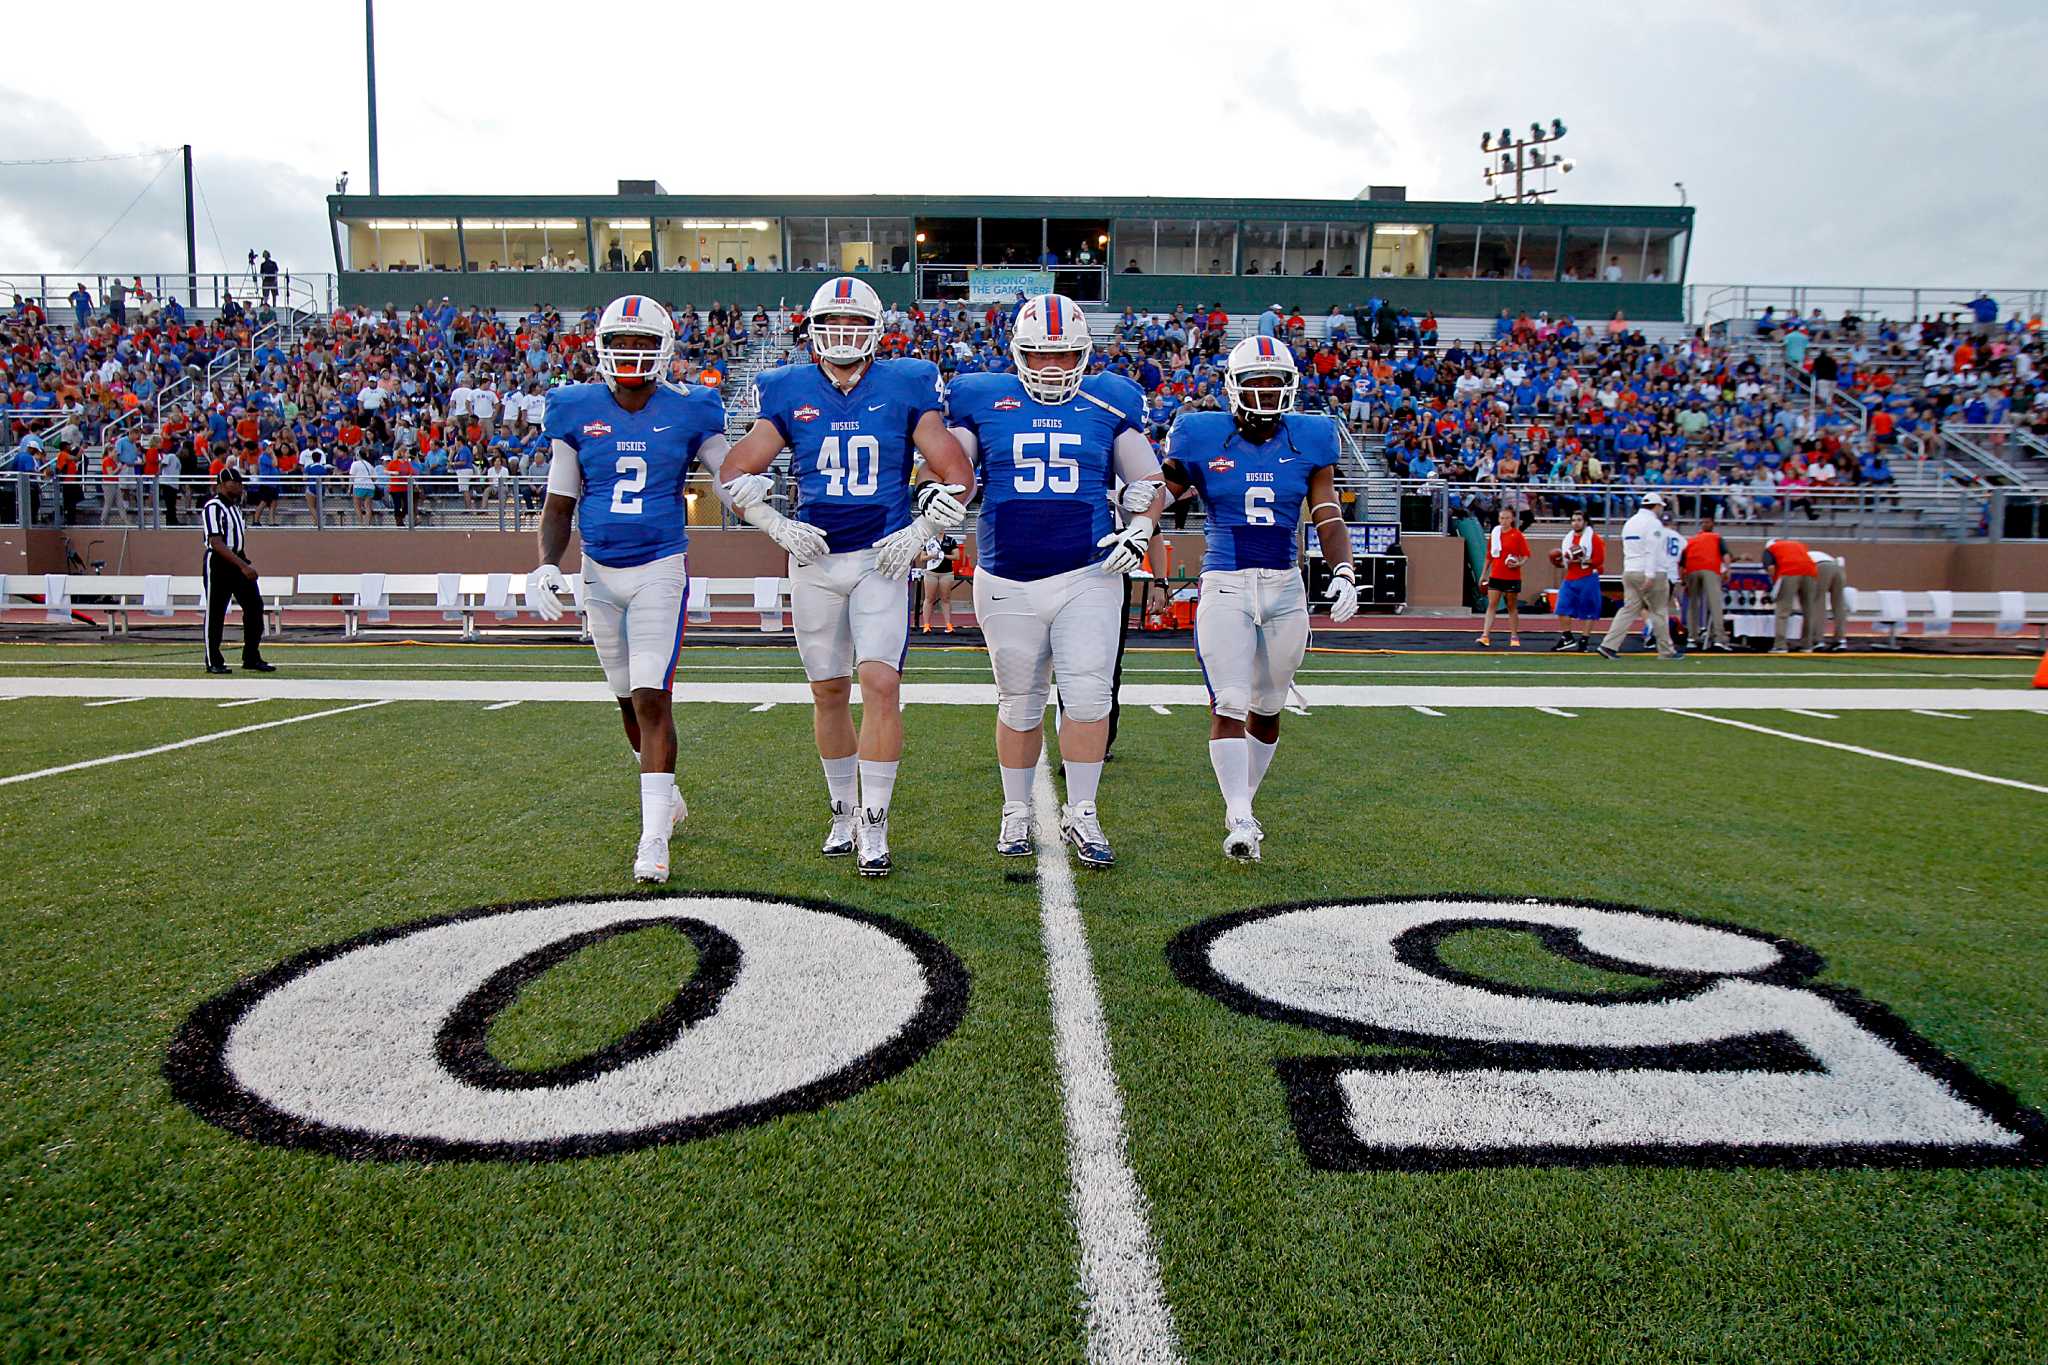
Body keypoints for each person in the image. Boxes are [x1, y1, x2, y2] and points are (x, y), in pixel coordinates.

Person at [719, 276, 976, 879]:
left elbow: (957, 475)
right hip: (812, 557)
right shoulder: (788, 387)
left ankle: (876, 819)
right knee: (829, 690)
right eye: (833, 322)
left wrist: (920, 532)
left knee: (881, 684)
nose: (843, 334)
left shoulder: (906, 383)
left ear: (876, 330)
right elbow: (733, 473)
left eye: (855, 323)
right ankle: (841, 810)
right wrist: (772, 522)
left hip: (878, 559)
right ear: (811, 329)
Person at [945, 293, 1166, 868]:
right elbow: (955, 472)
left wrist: (1141, 523)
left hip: (1087, 571)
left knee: (1090, 697)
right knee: (1019, 702)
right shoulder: (981, 398)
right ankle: (1016, 810)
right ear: (1017, 353)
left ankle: (1083, 812)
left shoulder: (1111, 400)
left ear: (1083, 353)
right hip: (1006, 573)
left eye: (1065, 355)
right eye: (1040, 355)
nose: (1052, 367)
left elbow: (1149, 480)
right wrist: (939, 492)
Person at [528, 295, 732, 885]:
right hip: (598, 570)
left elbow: (728, 471)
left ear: (664, 348)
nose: (633, 353)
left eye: (644, 342)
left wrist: (756, 494)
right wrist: (547, 563)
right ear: (603, 346)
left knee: (650, 695)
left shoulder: (691, 409)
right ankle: (664, 795)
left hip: (659, 568)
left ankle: (653, 837)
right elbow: (560, 501)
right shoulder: (575, 407)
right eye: (623, 342)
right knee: (624, 697)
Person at [1159, 335, 1356, 861]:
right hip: (1225, 581)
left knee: (1268, 706)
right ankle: (1239, 814)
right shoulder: (1202, 434)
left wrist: (1343, 570)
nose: (1267, 394)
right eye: (1256, 384)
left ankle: (1245, 801)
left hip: (1285, 585)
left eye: (1276, 384)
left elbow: (1327, 511)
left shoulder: (1310, 437)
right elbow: (1165, 489)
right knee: (1229, 700)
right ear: (1234, 387)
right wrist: (1138, 517)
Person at [199, 468, 275, 675]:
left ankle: (251, 656)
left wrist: (243, 561)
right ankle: (213, 659)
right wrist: (242, 565)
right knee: (216, 611)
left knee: (254, 607)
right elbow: (216, 542)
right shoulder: (213, 507)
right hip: (219, 562)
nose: (239, 487)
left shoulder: (235, 508)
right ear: (222, 484)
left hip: (238, 558)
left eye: (241, 483)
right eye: (235, 483)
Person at [1596, 492, 1680, 659]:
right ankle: (1666, 651)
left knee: (1628, 610)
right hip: (1649, 571)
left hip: (1630, 570)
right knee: (1659, 611)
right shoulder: (1653, 524)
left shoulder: (1630, 522)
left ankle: (1608, 645)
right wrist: (1650, 575)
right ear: (1656, 506)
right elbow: (1651, 550)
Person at [1550, 509, 1604, 651]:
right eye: (1573, 520)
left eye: (1579, 520)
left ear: (1585, 522)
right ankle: (1567, 637)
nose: (1576, 523)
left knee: (1589, 610)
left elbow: (1599, 560)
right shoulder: (1568, 539)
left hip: (1587, 576)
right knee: (1561, 608)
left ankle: (1584, 640)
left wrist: (1584, 559)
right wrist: (1557, 562)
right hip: (1571, 577)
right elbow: (1565, 561)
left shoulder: (1594, 538)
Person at [1478, 505, 1530, 647]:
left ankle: (1514, 636)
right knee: (1492, 605)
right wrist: (1483, 574)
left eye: (1507, 518)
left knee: (1511, 606)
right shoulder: (1495, 534)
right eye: (1502, 518)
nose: (1504, 520)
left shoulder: (1517, 535)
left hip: (1512, 576)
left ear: (1512, 519)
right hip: (1496, 574)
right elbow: (1489, 556)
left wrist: (1519, 563)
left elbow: (1526, 555)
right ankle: (1485, 635)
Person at [1681, 515, 1732, 651]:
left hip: (1692, 569)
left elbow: (1682, 561)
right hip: (1710, 568)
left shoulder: (1692, 540)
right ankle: (1718, 638)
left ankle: (1692, 637)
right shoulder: (1716, 538)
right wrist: (1727, 569)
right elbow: (1725, 555)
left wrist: (1683, 579)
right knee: (1715, 604)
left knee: (1693, 605)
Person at [1761, 537, 1820, 654]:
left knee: (1783, 611)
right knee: (1809, 611)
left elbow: (1771, 568)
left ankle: (1780, 645)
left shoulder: (1770, 549)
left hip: (1789, 572)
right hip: (1810, 572)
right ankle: (1807, 645)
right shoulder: (1798, 544)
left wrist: (1774, 587)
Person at [1810, 549, 1850, 652]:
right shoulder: (1815, 554)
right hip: (1838, 568)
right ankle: (1841, 640)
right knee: (1838, 605)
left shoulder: (1799, 558)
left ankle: (1818, 640)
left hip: (1821, 567)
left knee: (1818, 604)